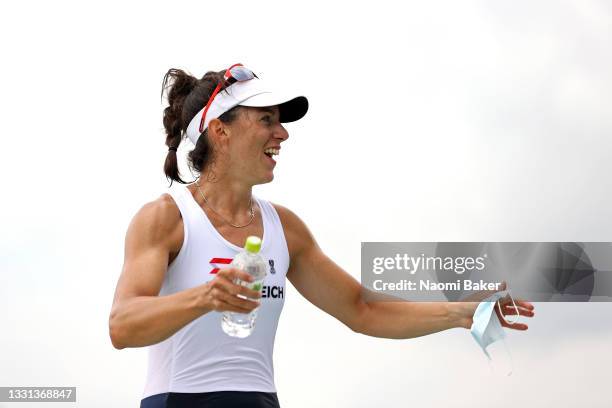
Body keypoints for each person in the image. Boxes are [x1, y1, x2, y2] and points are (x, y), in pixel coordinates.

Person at [108, 64, 535, 408]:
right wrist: (205, 297)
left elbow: (362, 308)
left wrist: (463, 314)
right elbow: (122, 325)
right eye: (267, 120)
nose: (283, 133)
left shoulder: (284, 228)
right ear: (220, 130)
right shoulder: (166, 219)